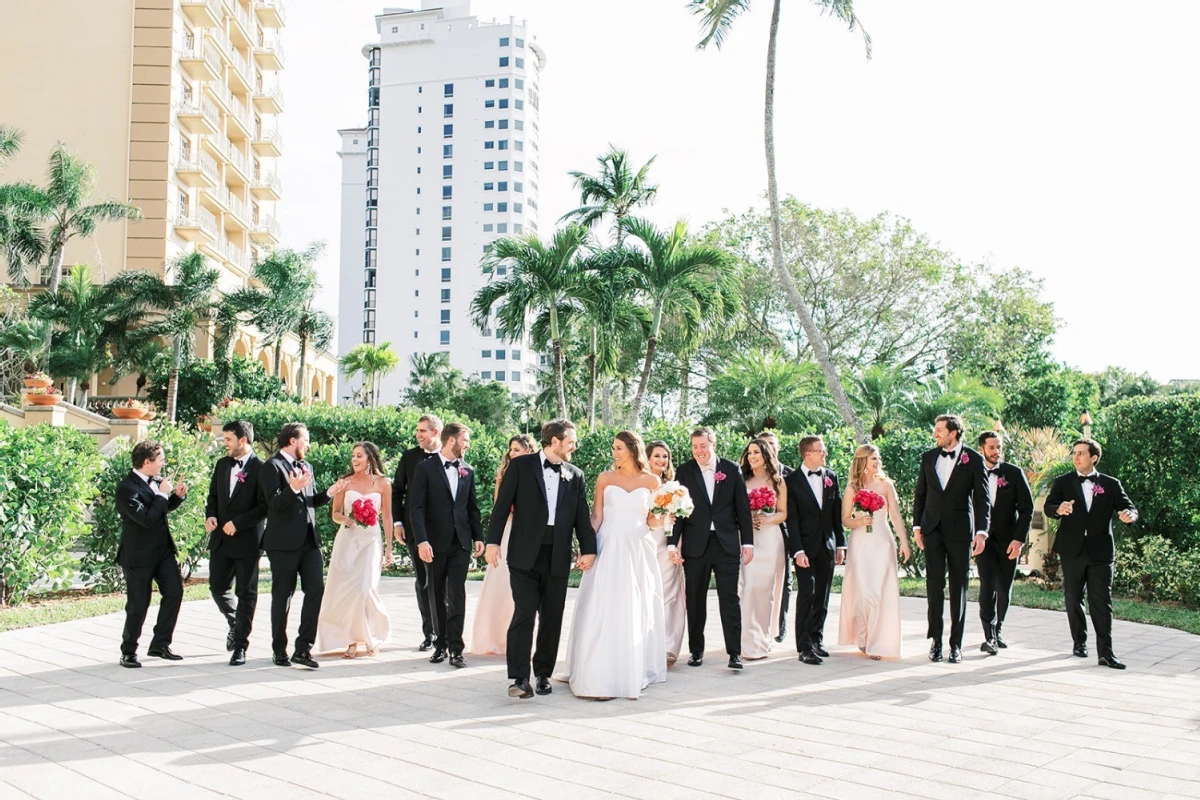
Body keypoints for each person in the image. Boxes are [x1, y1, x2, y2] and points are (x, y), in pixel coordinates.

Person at [486, 420, 597, 699]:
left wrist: (589, 549)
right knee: (524, 613)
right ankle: (520, 678)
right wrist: (493, 542)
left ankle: (543, 673)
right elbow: (501, 508)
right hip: (524, 554)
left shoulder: (576, 474)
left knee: (552, 616)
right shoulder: (521, 466)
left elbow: (581, 517)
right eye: (570, 441)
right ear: (554, 441)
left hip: (557, 554)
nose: (574, 446)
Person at [563, 431, 666, 699]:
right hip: (608, 545)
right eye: (613, 448)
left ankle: (631, 667)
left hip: (638, 548)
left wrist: (666, 514)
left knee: (633, 606)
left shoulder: (652, 480)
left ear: (633, 449)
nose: (615, 452)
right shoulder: (605, 478)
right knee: (603, 605)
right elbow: (596, 515)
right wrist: (587, 548)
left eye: (619, 448)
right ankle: (596, 670)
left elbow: (651, 521)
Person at [260, 422, 348, 669]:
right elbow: (274, 504)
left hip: (310, 542)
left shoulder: (306, 466)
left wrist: (330, 493)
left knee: (316, 591)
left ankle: (303, 648)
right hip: (283, 544)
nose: (308, 445)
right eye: (305, 440)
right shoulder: (271, 467)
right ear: (292, 441)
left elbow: (310, 500)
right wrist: (291, 488)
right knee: (282, 596)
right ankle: (279, 649)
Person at [1044, 438, 1138, 669]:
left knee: (1101, 601)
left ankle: (1106, 652)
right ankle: (1079, 641)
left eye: (1081, 454)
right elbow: (1049, 506)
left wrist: (1130, 515)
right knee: (1073, 597)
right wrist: (1058, 509)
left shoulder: (1111, 484)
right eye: (1074, 453)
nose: (1076, 457)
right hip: (1071, 550)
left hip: (1101, 552)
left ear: (1093, 457)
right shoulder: (1063, 482)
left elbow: (1129, 507)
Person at [668, 427, 754, 671]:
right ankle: (696, 651)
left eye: (703, 446)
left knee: (729, 599)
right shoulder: (684, 471)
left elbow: (742, 510)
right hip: (696, 546)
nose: (699, 451)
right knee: (695, 600)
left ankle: (734, 653)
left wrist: (747, 542)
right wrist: (673, 543)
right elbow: (678, 512)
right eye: (695, 447)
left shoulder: (730, 469)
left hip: (726, 544)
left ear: (713, 444)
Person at [912, 414, 992, 664]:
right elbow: (920, 495)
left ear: (953, 432)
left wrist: (981, 532)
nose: (935, 434)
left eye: (939, 430)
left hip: (960, 532)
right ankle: (935, 641)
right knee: (934, 586)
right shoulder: (928, 457)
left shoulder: (974, 459)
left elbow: (982, 499)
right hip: (932, 530)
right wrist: (917, 527)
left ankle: (955, 645)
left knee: (959, 587)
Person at [409, 423, 484, 668]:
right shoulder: (425, 469)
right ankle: (440, 644)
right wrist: (422, 540)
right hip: (434, 542)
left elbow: (471, 508)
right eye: (466, 439)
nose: (468, 444)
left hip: (460, 543)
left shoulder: (468, 470)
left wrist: (478, 537)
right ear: (451, 440)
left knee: (457, 593)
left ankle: (456, 649)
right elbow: (416, 508)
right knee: (436, 592)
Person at [316, 442, 394, 659]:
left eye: (359, 456)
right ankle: (351, 641)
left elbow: (387, 516)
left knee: (366, 588)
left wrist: (389, 547)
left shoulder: (383, 483)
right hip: (348, 540)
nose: (355, 460)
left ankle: (373, 636)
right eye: (353, 456)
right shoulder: (345, 482)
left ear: (370, 458)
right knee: (348, 591)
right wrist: (348, 519)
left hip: (371, 540)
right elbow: (335, 513)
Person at [115, 440, 188, 668]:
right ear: (147, 462)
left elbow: (161, 511)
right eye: (160, 460)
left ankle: (160, 644)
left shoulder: (156, 482)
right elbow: (146, 519)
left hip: (163, 553)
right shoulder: (126, 488)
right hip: (138, 556)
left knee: (174, 593)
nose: (163, 464)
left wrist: (176, 497)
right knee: (138, 604)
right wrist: (162, 495)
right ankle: (128, 651)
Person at [838, 444, 911, 660]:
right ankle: (863, 636)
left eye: (878, 458)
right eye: (873, 459)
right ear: (863, 462)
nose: (877, 462)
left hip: (882, 540)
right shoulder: (852, 487)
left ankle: (877, 642)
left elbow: (896, 517)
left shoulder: (886, 485)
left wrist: (904, 542)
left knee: (880, 590)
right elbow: (845, 519)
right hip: (861, 542)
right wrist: (859, 520)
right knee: (863, 590)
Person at [204, 420, 267, 667]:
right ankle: (234, 622)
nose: (224, 443)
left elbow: (264, 507)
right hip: (220, 539)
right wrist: (210, 516)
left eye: (228, 439)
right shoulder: (221, 465)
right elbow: (213, 496)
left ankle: (240, 645)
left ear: (243, 440)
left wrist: (238, 523)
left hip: (247, 542)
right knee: (217, 587)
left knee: (246, 593)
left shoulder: (262, 468)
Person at [471, 434, 536, 656]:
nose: (512, 453)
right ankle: (495, 638)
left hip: (530, 535)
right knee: (501, 584)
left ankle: (519, 640)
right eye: (511, 449)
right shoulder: (505, 475)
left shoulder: (539, 474)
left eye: (517, 449)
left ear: (529, 451)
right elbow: (501, 509)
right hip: (510, 532)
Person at [784, 435, 845, 665]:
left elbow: (835, 513)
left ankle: (817, 638)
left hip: (827, 546)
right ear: (807, 454)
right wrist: (797, 551)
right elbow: (793, 520)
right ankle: (804, 646)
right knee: (807, 594)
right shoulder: (791, 481)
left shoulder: (831, 477)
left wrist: (840, 544)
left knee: (823, 594)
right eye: (821, 450)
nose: (825, 454)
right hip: (805, 547)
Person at [975, 431, 1034, 654]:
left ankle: (998, 629)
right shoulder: (974, 473)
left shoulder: (1014, 473)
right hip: (984, 540)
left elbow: (1026, 510)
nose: (996, 451)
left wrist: (1019, 540)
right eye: (991, 447)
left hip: (1010, 541)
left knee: (1004, 587)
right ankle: (989, 635)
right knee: (987, 585)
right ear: (981, 449)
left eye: (999, 447)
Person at [391, 414, 442, 651]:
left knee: (445, 583)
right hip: (414, 529)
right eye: (417, 431)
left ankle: (447, 632)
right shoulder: (410, 457)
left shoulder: (451, 457)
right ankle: (429, 633)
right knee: (423, 581)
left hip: (444, 532)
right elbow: (397, 491)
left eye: (422, 431)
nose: (418, 435)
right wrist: (398, 522)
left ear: (435, 432)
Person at [737, 438, 788, 660]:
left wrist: (764, 519)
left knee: (766, 591)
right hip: (748, 540)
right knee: (747, 588)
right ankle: (746, 642)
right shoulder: (741, 480)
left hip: (769, 540)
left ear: (766, 454)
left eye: (756, 452)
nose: (752, 457)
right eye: (749, 453)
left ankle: (763, 639)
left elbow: (783, 513)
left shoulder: (778, 481)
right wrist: (748, 518)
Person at [647, 440, 686, 664]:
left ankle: (668, 647)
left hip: (669, 543)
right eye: (657, 456)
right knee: (648, 592)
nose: (662, 460)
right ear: (648, 458)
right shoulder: (641, 484)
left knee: (670, 593)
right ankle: (647, 642)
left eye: (665, 456)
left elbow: (682, 517)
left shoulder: (674, 486)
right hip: (647, 540)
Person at [759, 431, 794, 644]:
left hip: (784, 534)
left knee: (785, 581)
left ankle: (779, 626)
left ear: (778, 447)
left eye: (772, 444)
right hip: (757, 534)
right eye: (765, 445)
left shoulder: (790, 474)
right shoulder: (749, 475)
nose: (769, 448)